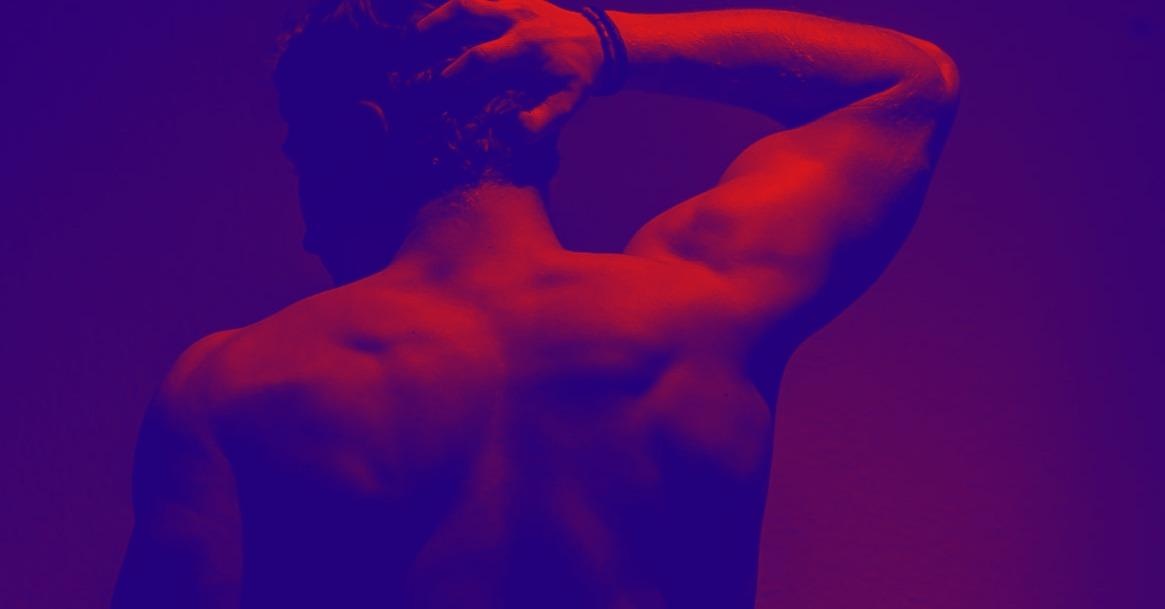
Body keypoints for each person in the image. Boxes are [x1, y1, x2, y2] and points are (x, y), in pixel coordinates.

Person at [111, 1, 959, 607]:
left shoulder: (228, 387)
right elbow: (908, 82)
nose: (305, 227)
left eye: (303, 161)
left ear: (361, 137)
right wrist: (611, 42)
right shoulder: (704, 306)